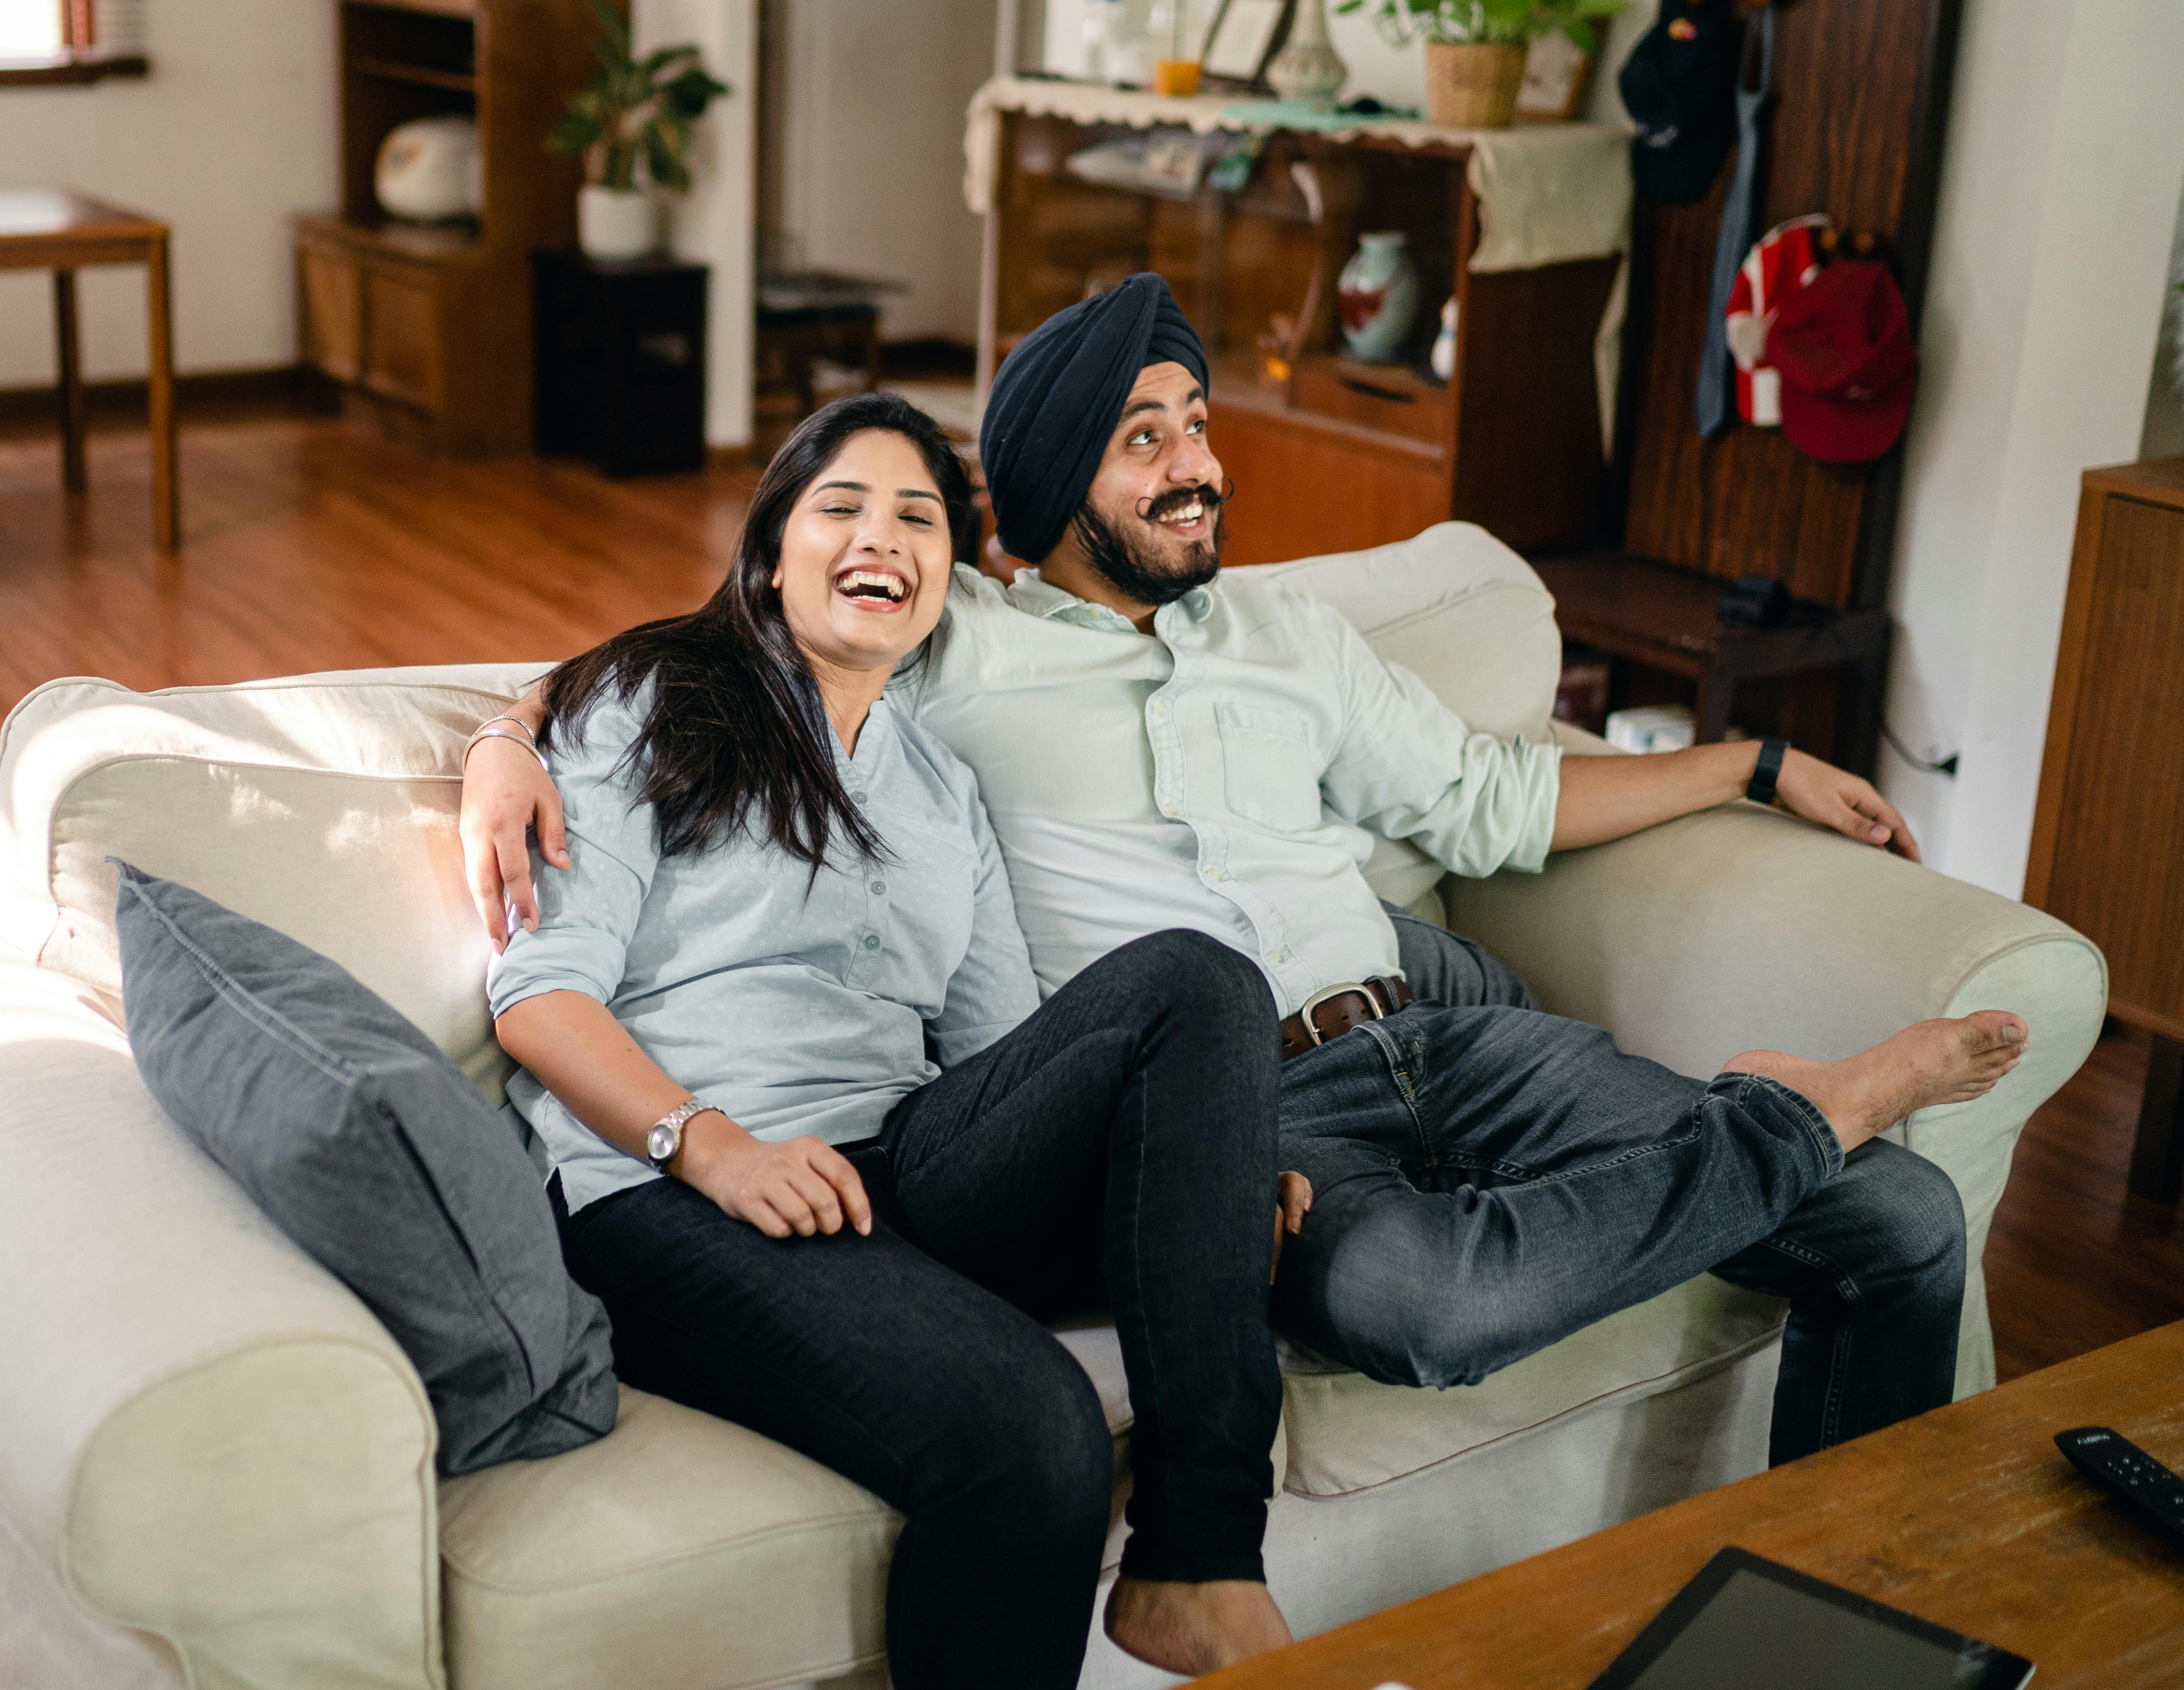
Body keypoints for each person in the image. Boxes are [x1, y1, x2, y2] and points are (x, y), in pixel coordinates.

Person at [466, 274, 2031, 1665]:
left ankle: (1855, 1642)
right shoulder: (946, 651)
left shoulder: (1216, 668)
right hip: (1193, 1108)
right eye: (1144, 436)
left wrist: (1750, 762)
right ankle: (1763, 1128)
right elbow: (696, 659)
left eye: (1197, 427)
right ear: (1048, 480)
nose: (1199, 465)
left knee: (1903, 1218)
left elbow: (1486, 805)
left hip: (1406, 1039)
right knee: (1379, 1266)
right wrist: (500, 737)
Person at [485, 390, 1303, 1689]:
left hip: (892, 1167)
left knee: (1206, 987)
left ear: (948, 578)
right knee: (1038, 1431)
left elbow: (999, 1064)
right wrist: (710, 1146)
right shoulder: (656, 697)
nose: (886, 537)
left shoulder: (940, 786)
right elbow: (538, 997)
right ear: (767, 552)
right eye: (843, 507)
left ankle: (1199, 1560)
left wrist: (1194, 1157)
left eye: (920, 516)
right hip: (665, 1192)